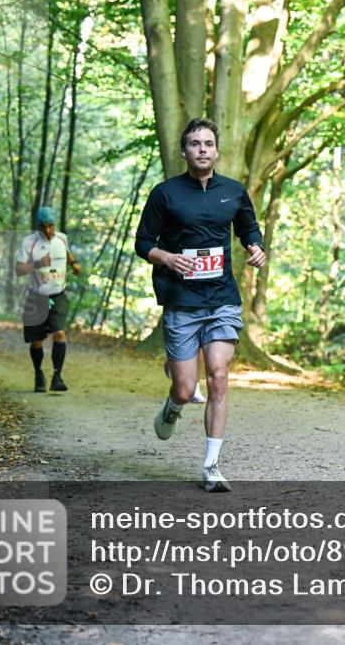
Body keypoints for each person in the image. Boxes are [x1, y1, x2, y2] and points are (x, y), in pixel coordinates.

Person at [134, 117, 266, 492]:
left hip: (221, 298)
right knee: (185, 387)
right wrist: (168, 258)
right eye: (195, 144)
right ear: (184, 151)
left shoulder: (233, 191)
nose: (202, 149)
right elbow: (143, 242)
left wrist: (255, 247)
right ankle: (175, 403)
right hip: (182, 301)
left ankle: (212, 466)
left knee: (220, 377)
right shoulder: (166, 193)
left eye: (208, 143)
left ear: (217, 149)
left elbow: (248, 227)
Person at [15, 207, 81, 393]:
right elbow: (19, 270)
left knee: (59, 334)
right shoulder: (29, 242)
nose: (48, 230)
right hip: (36, 297)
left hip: (59, 295)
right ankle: (38, 374)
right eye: (44, 227)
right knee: (37, 341)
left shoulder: (62, 238)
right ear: (38, 227)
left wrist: (74, 264)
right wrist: (37, 264)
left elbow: (68, 256)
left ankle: (57, 376)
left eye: (51, 226)